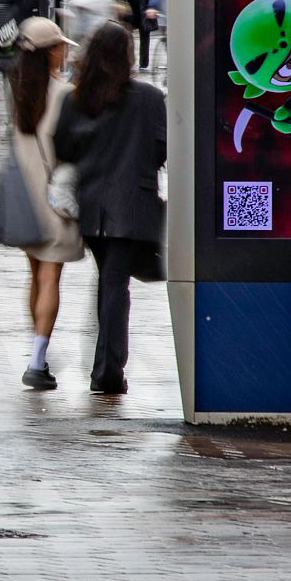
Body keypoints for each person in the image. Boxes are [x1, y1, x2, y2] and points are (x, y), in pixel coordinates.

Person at [54, 22, 167, 397]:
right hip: (133, 204)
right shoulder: (149, 98)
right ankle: (107, 372)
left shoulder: (77, 99)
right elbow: (163, 149)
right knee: (114, 284)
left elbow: (64, 149)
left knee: (110, 280)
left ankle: (105, 366)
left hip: (93, 207)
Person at [6, 17, 85, 389]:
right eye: (59, 45)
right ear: (50, 52)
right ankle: (37, 360)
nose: (64, 50)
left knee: (35, 274)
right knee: (51, 275)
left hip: (25, 200)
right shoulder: (65, 94)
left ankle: (37, 347)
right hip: (55, 199)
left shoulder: (16, 93)